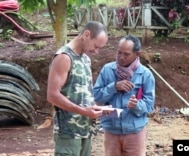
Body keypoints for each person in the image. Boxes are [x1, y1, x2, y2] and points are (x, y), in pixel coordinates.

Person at [46, 21, 108, 156]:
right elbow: (52, 95)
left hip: (85, 129)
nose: (96, 51)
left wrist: (95, 108)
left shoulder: (85, 58)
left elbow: (81, 94)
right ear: (86, 35)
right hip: (68, 132)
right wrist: (84, 111)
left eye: (100, 48)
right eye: (96, 46)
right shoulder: (64, 57)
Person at [93, 35, 155, 156]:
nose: (121, 57)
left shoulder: (145, 75)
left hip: (135, 133)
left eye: (126, 54)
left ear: (137, 54)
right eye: (119, 52)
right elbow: (96, 96)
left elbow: (149, 105)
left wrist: (137, 105)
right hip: (111, 130)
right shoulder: (107, 70)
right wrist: (113, 87)